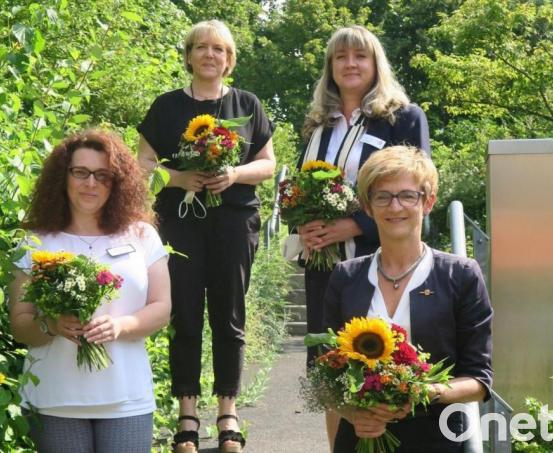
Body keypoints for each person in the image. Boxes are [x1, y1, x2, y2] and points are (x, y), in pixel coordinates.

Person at [136, 19, 275, 453]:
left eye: (219, 49)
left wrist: (233, 173)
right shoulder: (166, 106)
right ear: (189, 56)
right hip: (180, 222)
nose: (210, 55)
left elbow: (267, 165)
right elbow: (141, 166)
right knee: (185, 315)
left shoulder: (247, 104)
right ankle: (187, 414)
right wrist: (178, 177)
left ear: (229, 59)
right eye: (201, 48)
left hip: (235, 222)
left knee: (229, 315)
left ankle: (228, 410)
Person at [295, 25, 430, 448]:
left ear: (376, 64)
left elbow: (418, 184)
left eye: (360, 56)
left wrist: (354, 225)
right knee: (333, 370)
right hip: (323, 267)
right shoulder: (317, 124)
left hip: (381, 262)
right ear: (330, 68)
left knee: (386, 364)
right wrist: (303, 224)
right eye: (340, 57)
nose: (350, 64)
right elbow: (298, 190)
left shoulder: (402, 117)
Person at [8, 129, 171, 453]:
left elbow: (161, 308)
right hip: (55, 400)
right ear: (62, 176)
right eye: (80, 172)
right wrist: (51, 326)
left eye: (102, 175)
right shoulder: (35, 241)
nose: (90, 183)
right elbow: (20, 322)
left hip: (126, 399)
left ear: (118, 181)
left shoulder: (141, 235)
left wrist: (121, 326)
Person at [323, 145, 493, 452]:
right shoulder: (345, 277)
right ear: (367, 205)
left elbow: (479, 381)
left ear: (428, 201)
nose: (395, 207)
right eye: (382, 196)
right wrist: (355, 413)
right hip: (361, 439)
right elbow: (324, 370)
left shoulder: (461, 276)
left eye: (407, 195)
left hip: (439, 439)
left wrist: (419, 393)